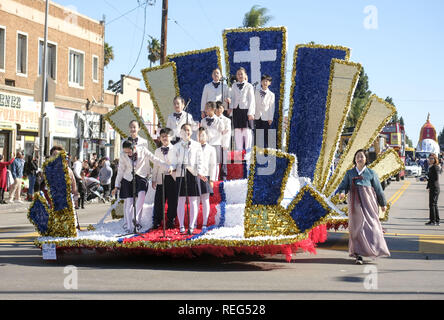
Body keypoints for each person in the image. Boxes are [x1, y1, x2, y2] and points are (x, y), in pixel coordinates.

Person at [337, 149, 390, 265]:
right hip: (354, 204)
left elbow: (378, 190)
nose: (359, 158)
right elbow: (343, 186)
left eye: (362, 156)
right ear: (355, 159)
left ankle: (375, 249)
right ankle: (358, 255)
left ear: (366, 159)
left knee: (373, 227)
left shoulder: (371, 173)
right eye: (357, 157)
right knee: (357, 229)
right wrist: (342, 192)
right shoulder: (350, 173)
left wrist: (383, 204)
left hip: (369, 203)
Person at [112, 140, 171, 233]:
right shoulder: (123, 155)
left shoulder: (143, 150)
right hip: (128, 178)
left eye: (129, 152)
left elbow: (155, 159)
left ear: (134, 148)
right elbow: (120, 171)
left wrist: (167, 166)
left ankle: (135, 218)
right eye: (126, 152)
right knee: (129, 202)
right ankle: (129, 226)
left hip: (141, 176)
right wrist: (116, 185)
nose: (128, 154)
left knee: (142, 195)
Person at [170, 123, 207, 234]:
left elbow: (200, 160)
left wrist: (200, 172)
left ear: (191, 132)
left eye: (188, 130)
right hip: (181, 174)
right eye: (184, 130)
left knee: (193, 201)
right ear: (180, 132)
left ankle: (191, 226)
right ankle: (181, 225)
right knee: (181, 200)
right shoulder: (176, 146)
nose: (186, 132)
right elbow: (173, 161)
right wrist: (172, 168)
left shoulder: (196, 145)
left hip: (193, 173)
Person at [152, 127, 178, 229]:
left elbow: (177, 163)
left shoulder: (176, 149)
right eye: (162, 136)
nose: (164, 138)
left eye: (166, 136)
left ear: (171, 137)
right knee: (159, 201)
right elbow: (155, 166)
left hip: (172, 177)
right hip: (160, 177)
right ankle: (157, 221)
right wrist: (154, 179)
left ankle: (171, 221)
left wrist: (172, 167)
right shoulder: (157, 151)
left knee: (172, 201)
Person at [227, 67, 255, 152]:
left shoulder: (249, 86)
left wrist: (251, 113)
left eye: (241, 74)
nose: (240, 75)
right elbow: (232, 97)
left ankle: (247, 151)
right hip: (236, 110)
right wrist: (230, 108)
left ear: (245, 75)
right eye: (238, 74)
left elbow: (251, 100)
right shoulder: (234, 85)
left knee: (246, 131)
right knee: (237, 130)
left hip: (246, 110)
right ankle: (239, 151)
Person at [197, 127, 217, 232]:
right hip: (195, 176)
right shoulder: (193, 147)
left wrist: (212, 179)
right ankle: (194, 222)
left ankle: (204, 223)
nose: (201, 137)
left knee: (205, 200)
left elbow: (213, 165)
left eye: (203, 135)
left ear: (207, 136)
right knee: (195, 200)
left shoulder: (211, 149)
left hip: (206, 176)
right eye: (199, 135)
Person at [200, 101, 224, 180]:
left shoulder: (219, 120)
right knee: (205, 162)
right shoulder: (203, 121)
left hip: (216, 144)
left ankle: (215, 179)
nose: (206, 110)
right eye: (205, 108)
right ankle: (206, 179)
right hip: (206, 144)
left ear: (213, 109)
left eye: (208, 108)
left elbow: (222, 130)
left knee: (215, 163)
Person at [254, 74, 275, 148]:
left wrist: (270, 118)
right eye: (263, 81)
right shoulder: (256, 92)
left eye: (267, 81)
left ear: (270, 83)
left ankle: (267, 150)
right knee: (257, 134)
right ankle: (257, 150)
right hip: (257, 116)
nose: (265, 82)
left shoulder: (271, 94)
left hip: (266, 117)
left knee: (266, 134)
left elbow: (271, 107)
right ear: (261, 82)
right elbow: (253, 104)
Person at [215, 101, 231, 180]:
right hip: (214, 143)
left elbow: (227, 133)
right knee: (215, 161)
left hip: (223, 143)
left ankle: (223, 177)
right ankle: (214, 177)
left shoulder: (227, 120)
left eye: (220, 108)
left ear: (223, 109)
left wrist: (225, 145)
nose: (218, 110)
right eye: (217, 108)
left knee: (223, 161)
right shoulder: (211, 119)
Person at [425, 153, 440, 226]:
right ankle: (436, 220)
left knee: (432, 204)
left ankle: (433, 221)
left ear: (435, 159)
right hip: (433, 187)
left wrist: (428, 178)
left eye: (431, 158)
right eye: (429, 158)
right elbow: (430, 178)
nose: (430, 160)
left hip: (435, 187)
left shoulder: (435, 167)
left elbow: (435, 178)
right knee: (434, 204)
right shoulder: (431, 167)